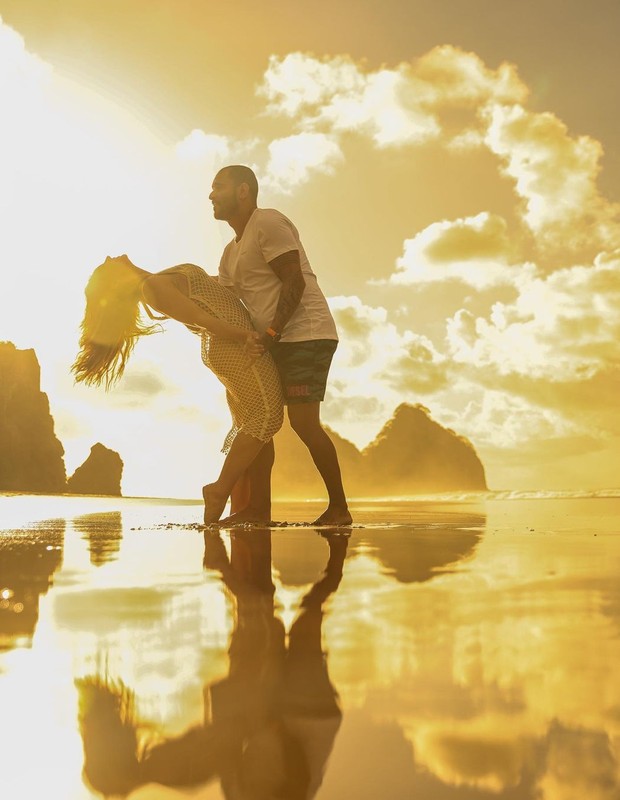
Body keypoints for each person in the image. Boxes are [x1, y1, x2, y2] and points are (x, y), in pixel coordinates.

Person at [72, 255, 284, 523]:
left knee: (257, 424)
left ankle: (257, 508)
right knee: (267, 417)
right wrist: (247, 337)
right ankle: (218, 491)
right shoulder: (152, 288)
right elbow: (201, 318)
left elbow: (219, 290)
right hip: (233, 347)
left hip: (233, 345)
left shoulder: (158, 277)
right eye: (104, 265)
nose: (108, 257)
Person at [210, 165, 352, 526]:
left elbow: (295, 282)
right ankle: (258, 508)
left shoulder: (267, 223)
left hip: (306, 332)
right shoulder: (229, 253)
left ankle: (339, 508)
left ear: (243, 191)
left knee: (304, 423)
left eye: (218, 187)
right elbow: (224, 303)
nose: (211, 195)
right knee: (263, 420)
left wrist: (271, 334)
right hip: (274, 340)